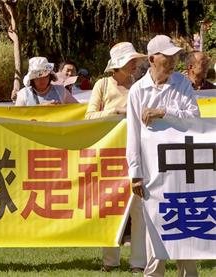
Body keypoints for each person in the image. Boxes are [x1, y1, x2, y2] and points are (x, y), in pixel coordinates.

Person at [126, 35, 199, 277]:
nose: (172, 62)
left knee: (185, 225)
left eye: (175, 57)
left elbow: (194, 118)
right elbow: (133, 134)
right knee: (153, 228)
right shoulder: (137, 91)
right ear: (151, 59)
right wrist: (135, 174)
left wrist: (163, 112)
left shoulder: (182, 84)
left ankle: (188, 273)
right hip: (152, 171)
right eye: (166, 57)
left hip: (182, 167)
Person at [84, 42, 148, 273]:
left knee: (138, 208)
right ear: (118, 64)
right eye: (131, 61)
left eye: (135, 61)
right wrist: (114, 112)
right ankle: (109, 261)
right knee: (110, 206)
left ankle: (139, 263)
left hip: (137, 153)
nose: (135, 64)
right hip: (109, 155)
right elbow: (89, 115)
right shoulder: (102, 85)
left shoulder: (140, 86)